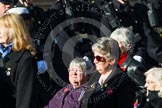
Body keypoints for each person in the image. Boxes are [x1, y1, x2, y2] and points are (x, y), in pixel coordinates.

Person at [0, 13, 41, 108]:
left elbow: (25, 99)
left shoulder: (26, 60)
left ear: (14, 30)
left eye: (2, 28)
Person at [81, 37, 136, 108]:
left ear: (112, 60)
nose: (95, 61)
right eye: (94, 57)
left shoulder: (123, 81)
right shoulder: (95, 76)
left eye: (98, 58)